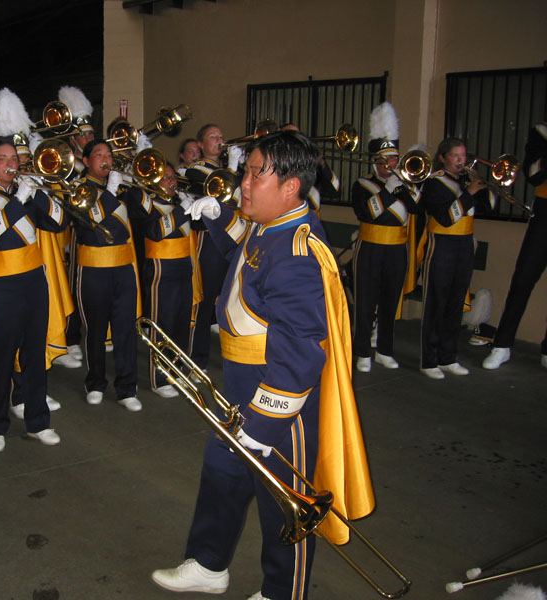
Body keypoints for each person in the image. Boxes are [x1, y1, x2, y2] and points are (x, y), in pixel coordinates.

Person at [153, 131, 373, 600]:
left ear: (291, 186)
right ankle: (211, 565)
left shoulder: (295, 253)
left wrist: (266, 419)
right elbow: (242, 256)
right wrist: (215, 221)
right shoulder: (267, 223)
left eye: (256, 174)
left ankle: (282, 592)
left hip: (275, 392)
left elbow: (299, 353)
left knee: (283, 502)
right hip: (240, 379)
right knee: (222, 472)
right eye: (246, 171)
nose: (243, 184)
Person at [0, 138, 66, 450]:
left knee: (35, 355)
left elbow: (59, 222)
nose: (10, 165)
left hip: (35, 281)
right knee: (3, 357)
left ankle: (39, 420)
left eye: (14, 159)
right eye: (2, 159)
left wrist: (38, 193)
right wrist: (18, 200)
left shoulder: (28, 193)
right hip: (2, 285)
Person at [74, 140, 147, 411]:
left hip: (123, 267)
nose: (106, 160)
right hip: (94, 267)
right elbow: (92, 228)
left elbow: (133, 225)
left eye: (109, 155)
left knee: (124, 329)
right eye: (99, 155)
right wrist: (110, 193)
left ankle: (127, 387)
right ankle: (95, 382)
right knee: (95, 329)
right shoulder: (78, 189)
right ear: (85, 160)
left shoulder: (123, 187)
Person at [350, 103, 422, 372]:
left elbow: (416, 208)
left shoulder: (403, 186)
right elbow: (369, 213)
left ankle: (385, 349)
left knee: (391, 301)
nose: (391, 165)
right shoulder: (362, 185)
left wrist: (407, 185)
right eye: (387, 161)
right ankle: (363, 353)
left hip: (396, 249)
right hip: (370, 247)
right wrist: (389, 190)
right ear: (376, 162)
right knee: (366, 302)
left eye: (394, 160)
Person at [419, 137, 496, 379]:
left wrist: (481, 185)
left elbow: (489, 207)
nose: (461, 160)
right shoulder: (434, 183)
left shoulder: (465, 181)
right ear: (443, 158)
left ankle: (448, 357)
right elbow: (446, 216)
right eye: (455, 155)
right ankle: (429, 360)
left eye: (463, 155)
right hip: (441, 244)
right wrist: (469, 193)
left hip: (464, 245)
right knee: (437, 303)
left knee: (455, 303)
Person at [483, 123, 547, 370]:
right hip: (545, 213)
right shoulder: (541, 133)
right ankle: (502, 345)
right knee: (523, 279)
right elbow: (533, 175)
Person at [185, 123, 242, 372]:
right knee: (204, 300)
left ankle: (234, 353)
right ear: (200, 144)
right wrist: (232, 168)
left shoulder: (227, 170)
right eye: (212, 136)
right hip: (208, 240)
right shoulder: (196, 169)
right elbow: (221, 192)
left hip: (232, 237)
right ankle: (197, 360)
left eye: (221, 136)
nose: (219, 140)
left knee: (231, 297)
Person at [140, 163, 194, 397]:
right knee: (162, 324)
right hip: (161, 268)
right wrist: (182, 209)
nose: (172, 182)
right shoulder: (148, 203)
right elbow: (156, 231)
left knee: (182, 323)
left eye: (173, 177)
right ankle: (160, 379)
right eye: (165, 178)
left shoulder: (177, 203)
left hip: (184, 266)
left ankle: (179, 371)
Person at [58, 86, 96, 363]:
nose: (87, 138)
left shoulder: (97, 163)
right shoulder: (66, 167)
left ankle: (94, 335)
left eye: (90, 134)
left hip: (98, 237)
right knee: (71, 288)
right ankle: (70, 338)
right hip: (72, 235)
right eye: (82, 135)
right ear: (72, 140)